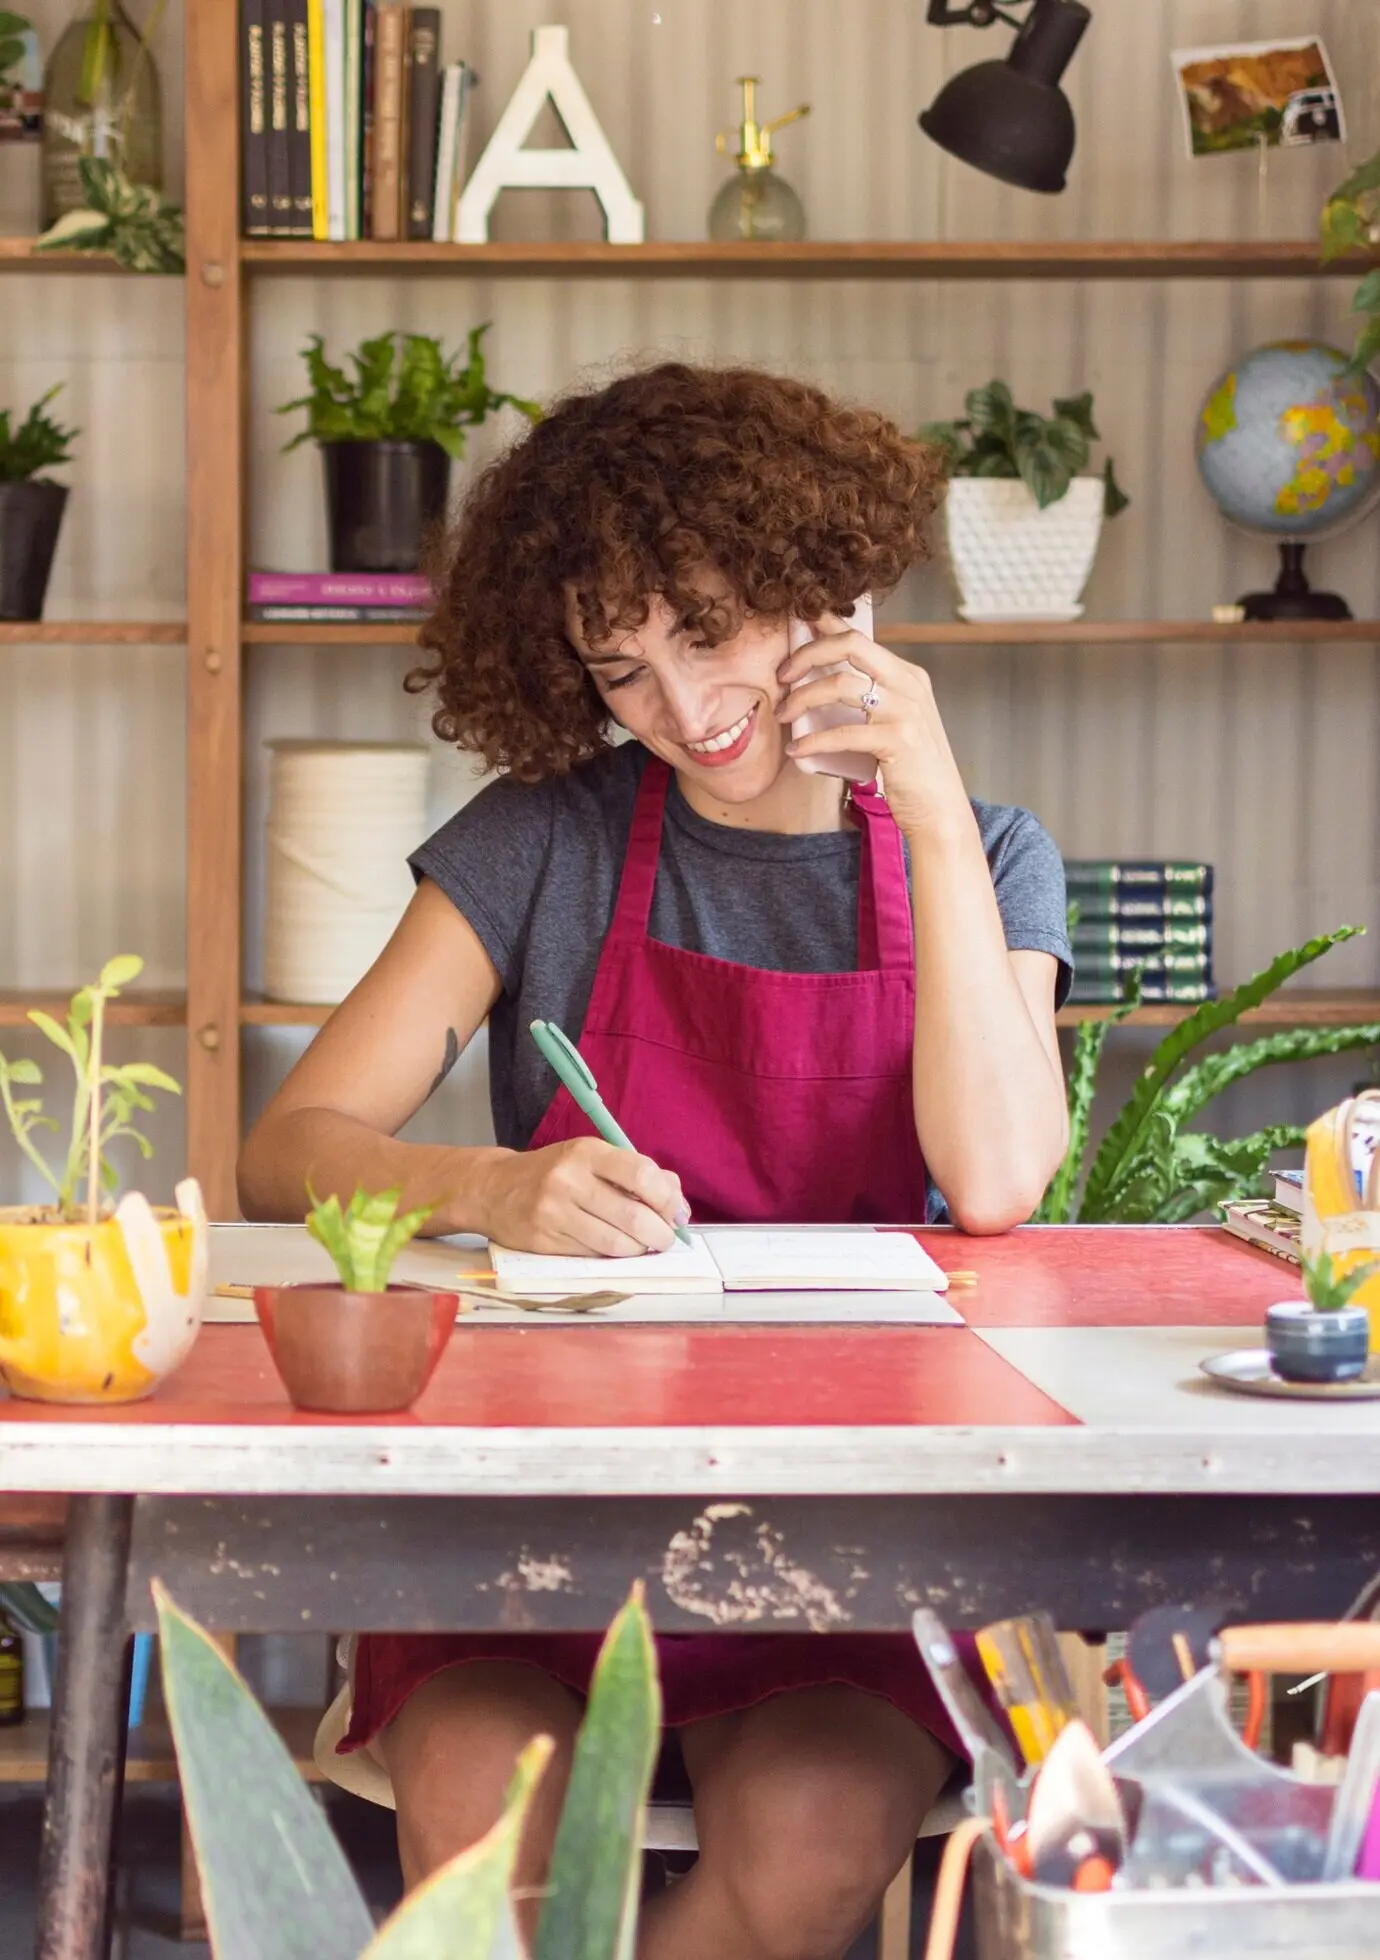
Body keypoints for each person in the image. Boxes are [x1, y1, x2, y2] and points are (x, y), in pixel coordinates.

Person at [238, 362, 1072, 1960]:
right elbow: (290, 1148)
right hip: (541, 1509)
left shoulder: (990, 853)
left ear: (822, 588)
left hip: (848, 1522)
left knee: (816, 1847)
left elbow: (996, 1184)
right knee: (489, 1847)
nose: (683, 714)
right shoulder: (541, 837)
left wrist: (937, 812)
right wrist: (487, 1188)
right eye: (624, 670)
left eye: (709, 633)